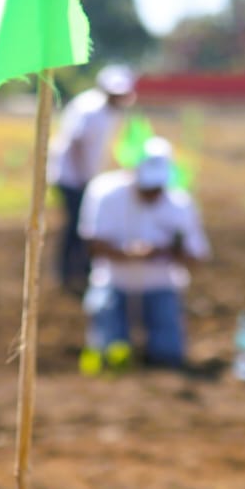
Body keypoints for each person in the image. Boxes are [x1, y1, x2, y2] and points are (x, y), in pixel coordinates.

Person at [77, 136, 212, 370]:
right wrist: (127, 254)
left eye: (157, 188)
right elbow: (91, 243)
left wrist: (170, 252)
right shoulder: (105, 193)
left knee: (168, 357)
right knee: (112, 356)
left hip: (161, 285)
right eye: (147, 188)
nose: (152, 194)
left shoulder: (180, 204)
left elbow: (197, 256)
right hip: (113, 282)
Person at [47, 63, 137, 294]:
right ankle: (67, 273)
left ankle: (83, 271)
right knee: (77, 224)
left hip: (88, 178)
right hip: (71, 177)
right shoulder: (89, 108)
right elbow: (76, 143)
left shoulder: (113, 111)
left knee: (85, 223)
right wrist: (83, 178)